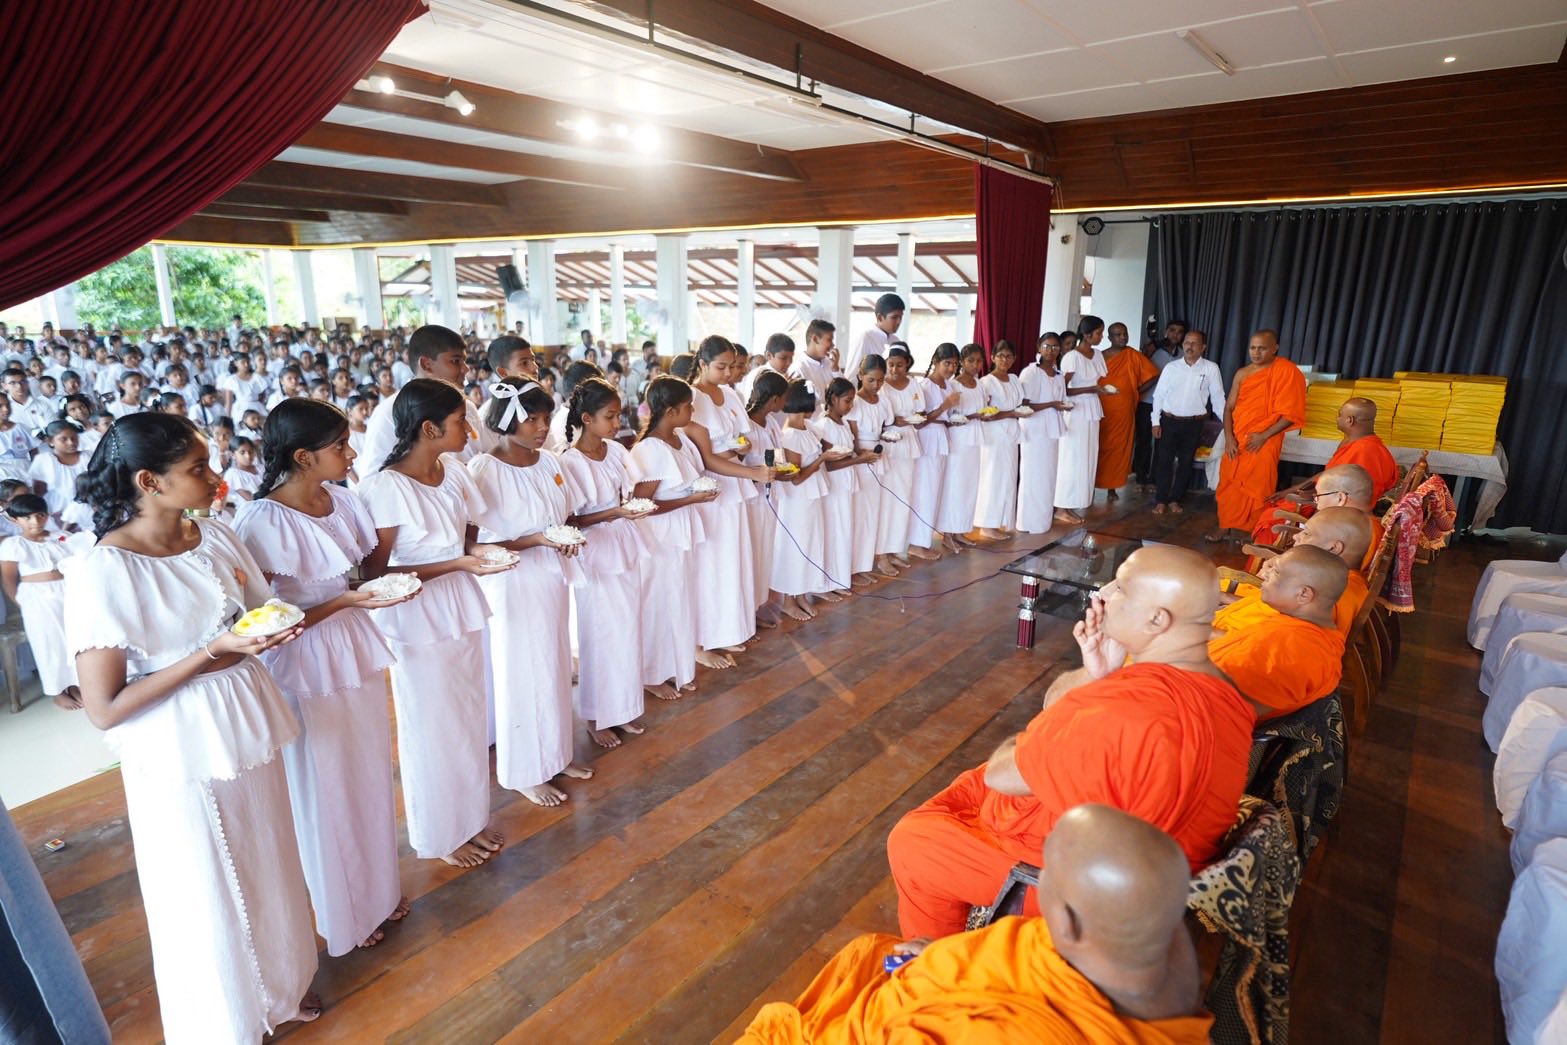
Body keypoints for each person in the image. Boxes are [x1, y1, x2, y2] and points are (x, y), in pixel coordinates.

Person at [66, 413, 320, 1043]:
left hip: (243, 715)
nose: (215, 477)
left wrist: (269, 627)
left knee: (267, 854)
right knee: (205, 882)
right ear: (149, 481)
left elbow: (259, 609)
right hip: (177, 737)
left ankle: (279, 988)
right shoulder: (106, 570)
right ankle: (227, 1018)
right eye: (198, 468)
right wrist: (212, 652)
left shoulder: (215, 534)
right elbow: (105, 707)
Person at [885, 545, 1255, 939]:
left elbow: (1001, 775)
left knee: (912, 841)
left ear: (1156, 619)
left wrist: (1037, 736)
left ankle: (937, 965)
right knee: (970, 785)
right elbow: (1062, 717)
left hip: (1094, 897)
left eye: (1121, 588)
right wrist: (1098, 673)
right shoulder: (1225, 689)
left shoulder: (1124, 707)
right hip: (1156, 864)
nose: (1104, 593)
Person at [739, 805, 1213, 1044]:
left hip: (899, 1021)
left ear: (1067, 919)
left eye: (1048, 872)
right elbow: (1009, 954)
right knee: (869, 952)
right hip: (934, 982)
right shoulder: (1143, 941)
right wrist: (934, 956)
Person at [233, 400, 410, 955]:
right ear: (303, 456)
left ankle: (378, 891)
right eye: (339, 446)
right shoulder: (263, 521)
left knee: (368, 772)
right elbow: (260, 621)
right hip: (303, 656)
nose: (351, 453)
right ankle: (344, 914)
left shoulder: (343, 500)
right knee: (325, 785)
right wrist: (345, 601)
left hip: (351, 642)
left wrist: (364, 593)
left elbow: (352, 574)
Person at [358, 379, 513, 868]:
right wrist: (458, 563)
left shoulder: (455, 471)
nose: (470, 430)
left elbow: (467, 535)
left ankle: (470, 818)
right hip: (417, 615)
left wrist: (476, 554)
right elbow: (375, 574)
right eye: (459, 422)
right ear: (429, 428)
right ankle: (439, 834)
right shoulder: (385, 487)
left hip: (460, 603)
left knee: (467, 717)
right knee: (431, 727)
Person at [468, 378, 593, 807]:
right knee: (521, 674)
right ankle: (524, 770)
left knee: (553, 667)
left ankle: (556, 755)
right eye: (532, 419)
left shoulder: (548, 462)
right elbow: (474, 542)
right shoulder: (485, 469)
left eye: (546, 418)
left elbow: (562, 515)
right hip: (512, 583)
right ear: (507, 420)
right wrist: (537, 540)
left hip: (549, 577)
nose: (542, 427)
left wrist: (563, 537)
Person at [561, 377, 654, 745]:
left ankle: (623, 708)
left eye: (619, 415)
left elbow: (630, 490)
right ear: (587, 418)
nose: (618, 423)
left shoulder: (615, 451)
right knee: (599, 633)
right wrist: (614, 512)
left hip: (623, 541)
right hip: (596, 550)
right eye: (610, 416)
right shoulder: (571, 461)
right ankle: (597, 716)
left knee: (627, 629)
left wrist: (627, 508)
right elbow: (572, 520)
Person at [683, 337, 772, 664]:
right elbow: (703, 454)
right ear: (703, 364)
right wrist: (749, 469)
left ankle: (729, 628)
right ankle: (703, 640)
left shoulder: (732, 394)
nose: (727, 373)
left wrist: (742, 448)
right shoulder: (691, 397)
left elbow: (741, 437)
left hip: (736, 479)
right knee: (711, 564)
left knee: (734, 560)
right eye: (720, 367)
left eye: (731, 367)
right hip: (712, 484)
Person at [630, 376, 718, 695]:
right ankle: (651, 674)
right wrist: (690, 499)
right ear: (670, 411)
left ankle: (677, 665)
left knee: (680, 598)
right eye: (687, 406)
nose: (692, 410)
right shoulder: (651, 449)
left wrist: (695, 496)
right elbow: (641, 505)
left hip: (680, 528)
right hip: (659, 534)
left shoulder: (679, 438)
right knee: (658, 601)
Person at [1209, 544, 1348, 719]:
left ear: (1303, 594)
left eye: (1275, 571)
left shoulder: (1289, 648)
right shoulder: (1299, 628)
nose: (1265, 573)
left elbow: (1222, 709)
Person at [1251, 399, 1398, 544]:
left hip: (1339, 514)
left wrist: (1314, 521)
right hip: (1322, 498)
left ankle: (1269, 558)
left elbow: (1348, 500)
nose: (1337, 418)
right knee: (1275, 506)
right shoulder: (1353, 442)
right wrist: (1291, 490)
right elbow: (1328, 474)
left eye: (1339, 415)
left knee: (1270, 521)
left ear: (1350, 420)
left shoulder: (1366, 451)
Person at [1211, 331, 1306, 542]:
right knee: (1228, 482)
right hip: (1238, 439)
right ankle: (1225, 525)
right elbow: (1228, 408)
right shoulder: (1242, 374)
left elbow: (1290, 414)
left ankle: (1254, 530)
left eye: (1262, 348)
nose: (1256, 352)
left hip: (1266, 441)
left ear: (1275, 348)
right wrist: (1229, 438)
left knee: (1259, 485)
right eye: (1253, 348)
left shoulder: (1287, 371)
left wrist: (1264, 436)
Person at [360, 325, 494, 473]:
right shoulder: (388, 413)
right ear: (426, 365)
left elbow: (483, 455)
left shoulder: (467, 407)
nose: (465, 369)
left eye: (464, 361)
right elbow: (374, 478)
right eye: (456, 361)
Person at [768, 380, 839, 621]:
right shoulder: (790, 435)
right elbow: (796, 478)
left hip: (812, 497)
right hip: (798, 499)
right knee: (795, 545)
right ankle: (788, 600)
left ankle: (800, 594)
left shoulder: (807, 427)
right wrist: (822, 460)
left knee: (809, 544)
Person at [0, 494, 79, 710]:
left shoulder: (61, 537)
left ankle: (75, 683)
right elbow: (8, 580)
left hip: (68, 591)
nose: (35, 521)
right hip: (37, 598)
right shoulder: (13, 544)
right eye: (27, 517)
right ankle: (57, 691)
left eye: (40, 515)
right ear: (15, 520)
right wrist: (22, 603)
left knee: (73, 639)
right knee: (48, 644)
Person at [1149, 329, 1225, 515]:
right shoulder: (1171, 367)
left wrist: (1228, 423)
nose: (1189, 346)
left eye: (1194, 343)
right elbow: (1159, 396)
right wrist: (1155, 422)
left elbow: (1217, 398)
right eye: (1186, 343)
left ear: (1203, 347)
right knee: (1164, 462)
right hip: (1169, 421)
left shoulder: (1211, 369)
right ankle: (1161, 500)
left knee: (1185, 462)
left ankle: (1175, 499)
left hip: (1194, 424)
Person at [809, 378, 869, 596]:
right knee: (834, 533)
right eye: (847, 401)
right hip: (834, 485)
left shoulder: (843, 423)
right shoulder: (824, 425)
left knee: (844, 531)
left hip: (846, 483)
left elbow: (849, 452)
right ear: (833, 399)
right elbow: (830, 464)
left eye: (852, 401)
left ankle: (841, 578)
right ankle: (826, 583)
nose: (850, 406)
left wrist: (861, 455)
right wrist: (859, 460)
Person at [1093, 322, 1162, 501]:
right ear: (1109, 337)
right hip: (1100, 408)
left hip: (1124, 409)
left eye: (1125, 334)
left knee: (1119, 447)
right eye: (1118, 334)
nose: (1123, 337)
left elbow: (1154, 374)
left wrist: (1135, 391)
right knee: (1097, 446)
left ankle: (1111, 487)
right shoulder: (1099, 357)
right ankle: (1090, 485)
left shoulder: (1133, 355)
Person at [845, 355, 899, 581]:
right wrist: (861, 454)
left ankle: (872, 559)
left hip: (878, 456)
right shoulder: (854, 403)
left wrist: (887, 438)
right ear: (860, 376)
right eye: (871, 380)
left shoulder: (883, 401)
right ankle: (854, 566)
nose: (876, 385)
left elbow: (886, 427)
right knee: (861, 515)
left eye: (880, 380)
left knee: (877, 512)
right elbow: (851, 437)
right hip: (860, 461)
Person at [1054, 316, 1112, 524]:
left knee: (1087, 456)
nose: (1101, 337)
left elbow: (1096, 381)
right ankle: (1061, 506)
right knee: (1072, 457)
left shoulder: (1097, 354)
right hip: (1076, 410)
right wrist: (1091, 389)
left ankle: (1074, 503)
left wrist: (1098, 390)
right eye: (1098, 333)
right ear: (1086, 335)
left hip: (1091, 408)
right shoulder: (1072, 357)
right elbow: (1062, 389)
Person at [879, 345, 933, 562]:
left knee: (903, 498)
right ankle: (881, 553)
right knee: (887, 500)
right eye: (891, 365)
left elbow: (920, 413)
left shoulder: (914, 385)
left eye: (899, 365)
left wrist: (915, 419)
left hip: (908, 443)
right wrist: (895, 421)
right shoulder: (881, 386)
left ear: (907, 364)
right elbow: (879, 416)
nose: (894, 370)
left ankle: (895, 548)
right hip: (889, 444)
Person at [1015, 334, 1070, 534]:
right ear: (1039, 347)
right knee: (1033, 475)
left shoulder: (1059, 375)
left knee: (1048, 476)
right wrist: (1051, 404)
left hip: (1052, 429)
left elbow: (1061, 399)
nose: (1051, 351)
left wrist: (1061, 406)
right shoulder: (1031, 373)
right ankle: (1027, 522)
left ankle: (1042, 521)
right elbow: (1024, 405)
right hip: (1034, 429)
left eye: (1055, 347)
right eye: (1047, 346)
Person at [909, 344, 961, 555]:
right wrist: (943, 407)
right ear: (936, 362)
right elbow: (919, 422)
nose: (951, 368)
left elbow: (946, 416)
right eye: (947, 363)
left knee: (936, 491)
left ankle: (927, 539)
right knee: (925, 491)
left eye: (954, 364)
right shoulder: (924, 386)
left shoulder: (949, 386)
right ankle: (916, 543)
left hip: (942, 437)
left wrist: (952, 417)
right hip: (928, 439)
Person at [934, 344, 987, 545]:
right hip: (958, 438)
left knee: (969, 485)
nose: (975, 365)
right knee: (955, 485)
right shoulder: (954, 385)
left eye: (979, 361)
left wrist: (984, 414)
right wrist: (971, 416)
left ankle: (960, 529)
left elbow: (982, 408)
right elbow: (949, 415)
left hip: (975, 437)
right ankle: (948, 532)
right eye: (971, 360)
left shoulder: (979, 384)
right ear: (962, 362)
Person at [974, 340, 1023, 540]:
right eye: (1001, 356)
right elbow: (985, 414)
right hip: (994, 435)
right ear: (993, 358)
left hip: (1011, 433)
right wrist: (1011, 413)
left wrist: (1017, 413)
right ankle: (987, 523)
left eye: (1009, 356)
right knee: (992, 477)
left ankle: (1002, 520)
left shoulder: (1014, 379)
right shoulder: (986, 382)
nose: (1005, 360)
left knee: (1008, 477)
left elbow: (1020, 404)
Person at [1134, 320, 1184, 488]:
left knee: (1163, 443)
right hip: (1147, 401)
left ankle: (1154, 479)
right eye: (1172, 330)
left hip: (1167, 405)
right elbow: (1139, 366)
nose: (1175, 334)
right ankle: (1140, 477)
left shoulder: (1183, 354)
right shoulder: (1152, 349)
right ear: (1165, 332)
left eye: (1179, 331)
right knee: (1144, 441)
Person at [845, 292, 904, 380]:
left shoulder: (896, 341)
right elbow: (851, 376)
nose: (899, 322)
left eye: (900, 317)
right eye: (894, 317)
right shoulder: (865, 339)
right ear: (880, 317)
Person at [787, 319, 836, 404]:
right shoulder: (798, 369)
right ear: (815, 339)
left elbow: (844, 392)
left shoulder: (830, 363)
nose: (832, 345)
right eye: (829, 340)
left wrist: (836, 369)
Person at [738, 332, 795, 401]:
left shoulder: (787, 374)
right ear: (769, 355)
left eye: (791, 357)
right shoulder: (758, 375)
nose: (789, 362)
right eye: (783, 358)